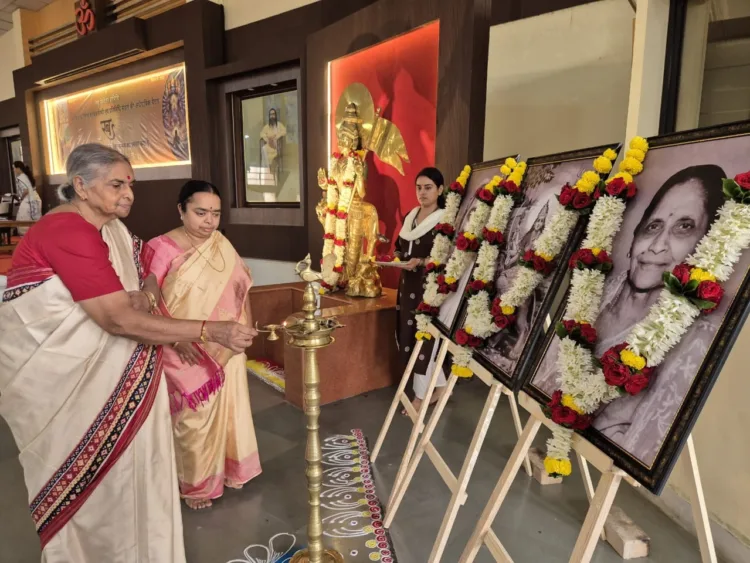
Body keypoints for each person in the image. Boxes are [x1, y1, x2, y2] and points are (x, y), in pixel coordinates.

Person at [0, 143, 256, 562]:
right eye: (117, 184)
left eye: (130, 184)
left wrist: (146, 297)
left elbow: (143, 274)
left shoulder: (114, 231)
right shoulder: (66, 231)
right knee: (93, 487)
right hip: (70, 384)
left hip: (120, 378)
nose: (128, 194)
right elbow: (117, 321)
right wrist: (211, 330)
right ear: (81, 185)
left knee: (129, 479)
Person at [533, 164, 726, 464]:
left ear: (704, 248)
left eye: (684, 227)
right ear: (634, 238)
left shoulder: (695, 341)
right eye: (653, 226)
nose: (657, 246)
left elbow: (641, 443)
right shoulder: (596, 290)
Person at [146, 180, 261, 510]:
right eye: (200, 213)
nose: (209, 221)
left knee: (230, 410)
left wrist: (247, 326)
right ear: (181, 210)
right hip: (182, 347)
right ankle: (195, 485)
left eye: (215, 213)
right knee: (194, 417)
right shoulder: (160, 247)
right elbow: (150, 298)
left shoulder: (220, 243)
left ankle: (230, 469)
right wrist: (177, 337)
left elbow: (241, 286)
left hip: (226, 346)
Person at [394, 167, 446, 412]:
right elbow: (399, 246)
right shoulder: (411, 217)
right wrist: (395, 259)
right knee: (409, 334)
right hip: (407, 286)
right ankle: (439, 388)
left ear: (440, 190)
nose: (422, 193)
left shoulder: (444, 220)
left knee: (424, 338)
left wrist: (423, 262)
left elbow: (447, 256)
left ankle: (420, 397)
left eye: (428, 188)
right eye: (419, 188)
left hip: (429, 288)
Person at [260, 108, 286, 184]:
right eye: (271, 114)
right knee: (263, 148)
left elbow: (284, 131)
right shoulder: (267, 126)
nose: (272, 116)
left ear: (275, 115)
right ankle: (267, 170)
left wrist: (276, 136)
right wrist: (267, 139)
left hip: (276, 146)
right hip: (269, 144)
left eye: (273, 114)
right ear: (269, 116)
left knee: (266, 151)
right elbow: (261, 133)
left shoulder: (279, 125)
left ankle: (270, 171)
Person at [14, 161, 41, 233]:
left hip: (28, 200)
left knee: (23, 220)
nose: (14, 170)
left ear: (18, 168)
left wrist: (21, 198)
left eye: (14, 168)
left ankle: (26, 236)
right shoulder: (27, 175)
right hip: (36, 198)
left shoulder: (20, 178)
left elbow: (26, 190)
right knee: (35, 220)